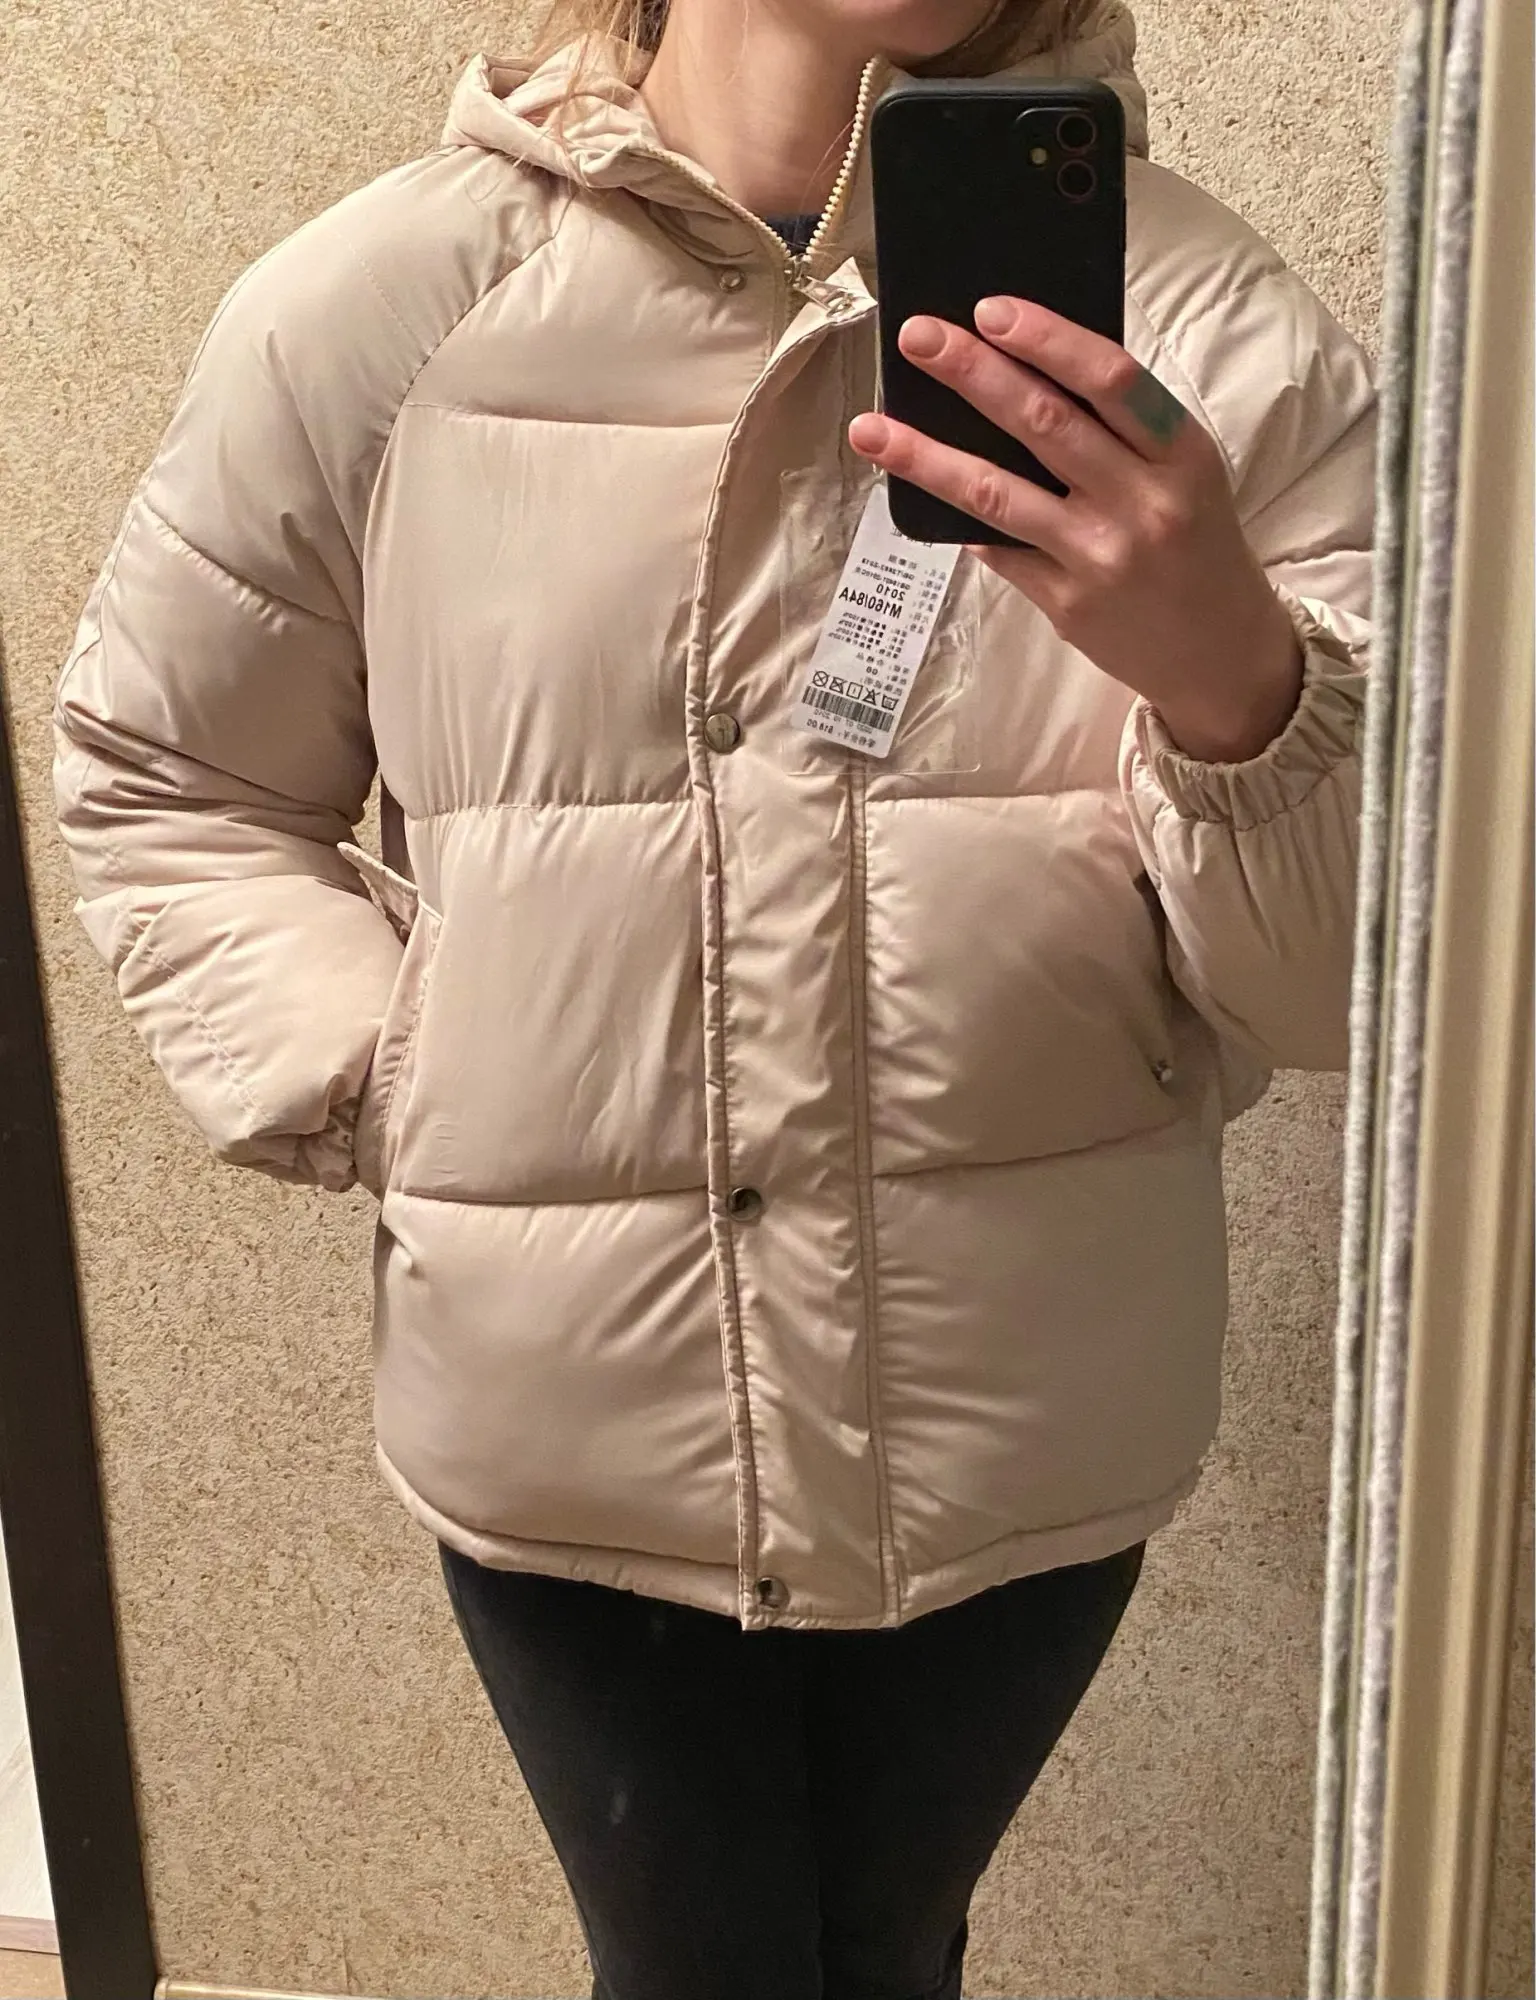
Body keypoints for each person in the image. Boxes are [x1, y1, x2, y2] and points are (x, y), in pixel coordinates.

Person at [51, 0, 1375, 1991]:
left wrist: (1238, 688)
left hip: (1028, 1402)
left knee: (890, 1946)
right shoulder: (383, 313)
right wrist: (399, 1077)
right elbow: (170, 778)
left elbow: (1359, 990)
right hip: (576, 1406)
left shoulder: (1207, 334)